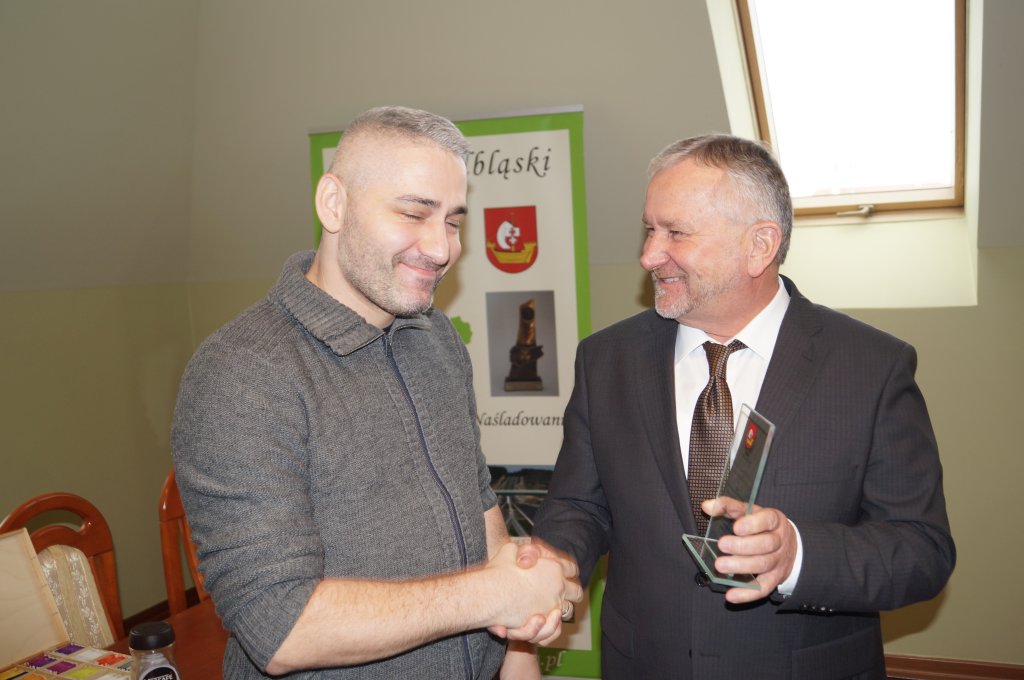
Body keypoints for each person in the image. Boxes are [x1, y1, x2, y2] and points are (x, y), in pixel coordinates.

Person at [171, 106, 581, 680]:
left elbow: (478, 503)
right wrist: (496, 595)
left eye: (453, 222)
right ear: (333, 204)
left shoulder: (436, 337)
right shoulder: (241, 372)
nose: (440, 249)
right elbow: (280, 627)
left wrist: (518, 634)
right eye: (414, 213)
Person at [528, 134, 955, 679]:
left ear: (759, 245)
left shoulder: (871, 367)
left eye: (675, 232)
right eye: (649, 229)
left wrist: (797, 555)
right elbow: (579, 506)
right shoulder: (607, 359)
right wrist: (554, 564)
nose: (649, 255)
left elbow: (921, 551)